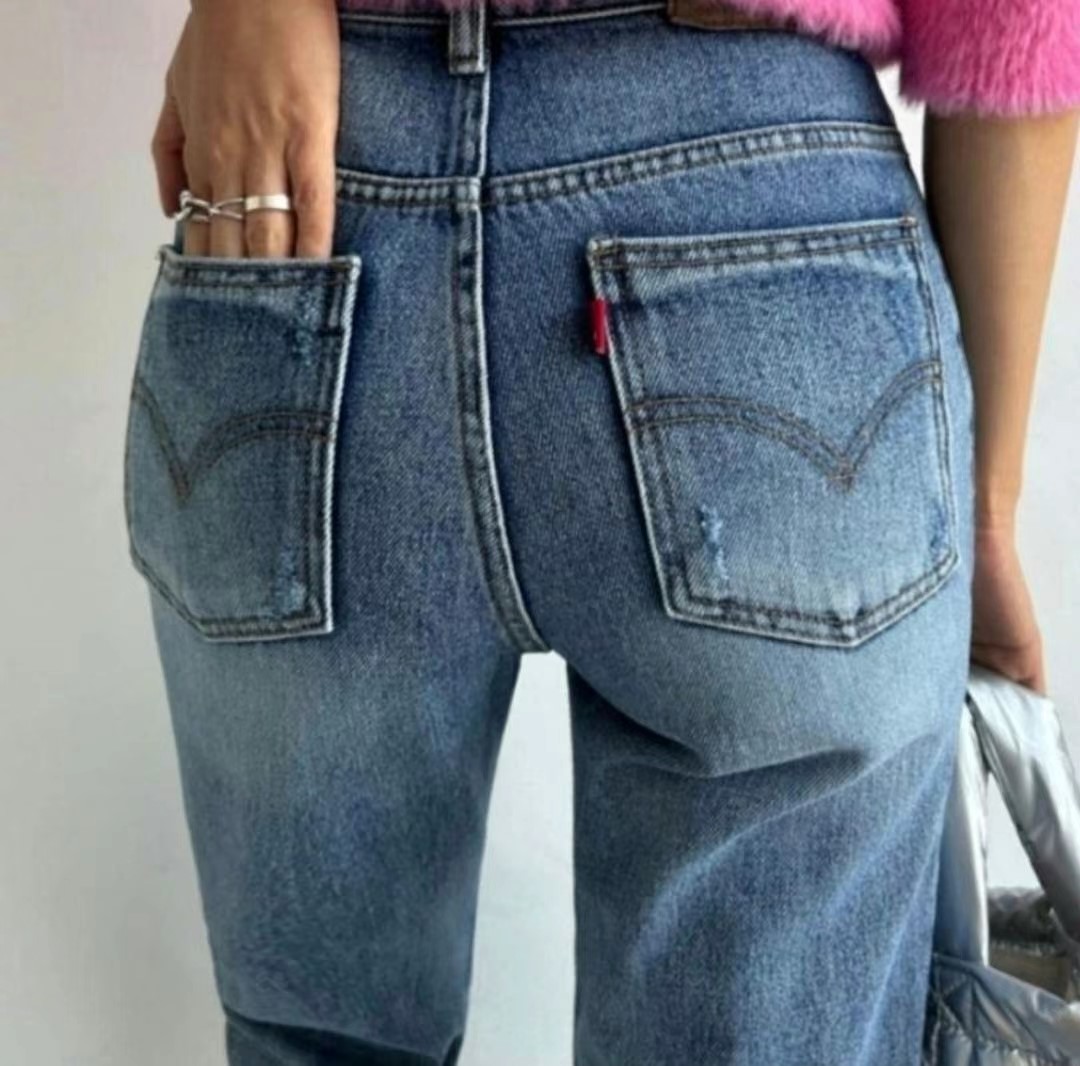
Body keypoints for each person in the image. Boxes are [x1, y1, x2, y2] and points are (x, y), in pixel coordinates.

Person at [125, 0, 1078, 1062]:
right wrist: (985, 508)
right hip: (767, 215)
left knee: (319, 1035)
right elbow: (1018, 28)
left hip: (300, 177)